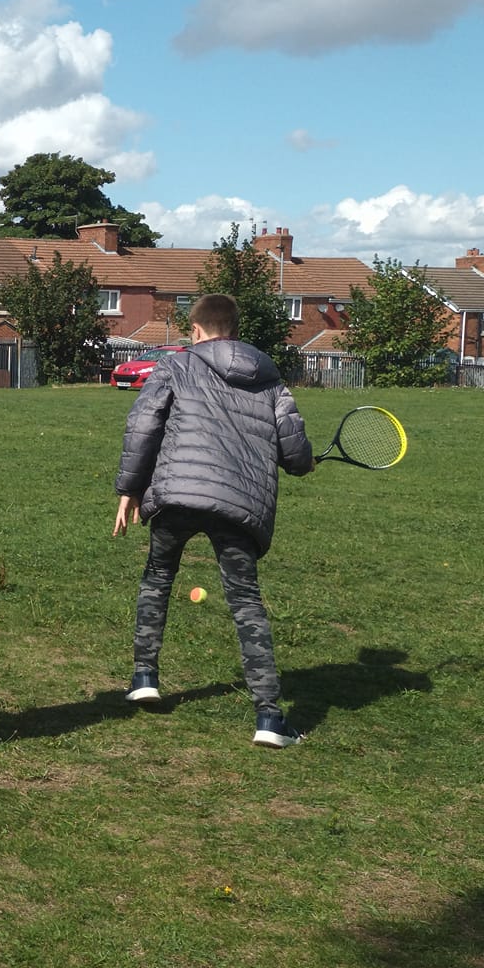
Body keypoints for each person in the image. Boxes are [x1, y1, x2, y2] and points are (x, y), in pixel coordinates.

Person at [113, 293, 314, 746]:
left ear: (196, 331)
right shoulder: (271, 379)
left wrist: (128, 489)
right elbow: (296, 453)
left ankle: (145, 675)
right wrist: (304, 463)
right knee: (246, 601)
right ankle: (268, 717)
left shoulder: (175, 365)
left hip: (177, 494)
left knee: (158, 577)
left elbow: (143, 426)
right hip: (240, 505)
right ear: (236, 331)